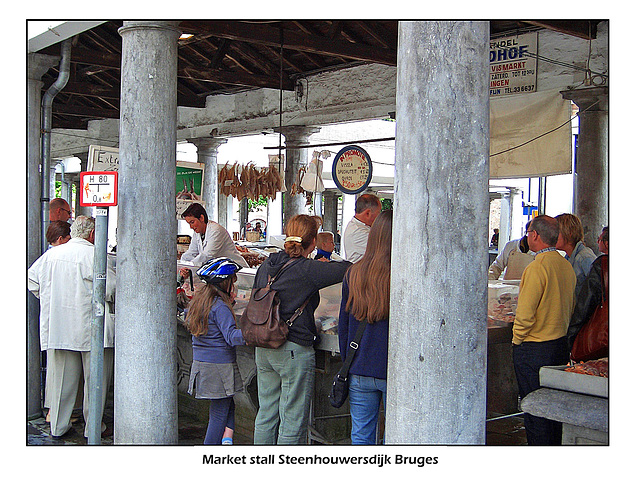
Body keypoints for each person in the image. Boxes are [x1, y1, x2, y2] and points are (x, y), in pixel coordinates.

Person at [252, 214, 351, 444]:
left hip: (264, 346)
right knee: (292, 420)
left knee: (266, 415)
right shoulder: (307, 269)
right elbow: (348, 268)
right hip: (292, 350)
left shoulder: (268, 263)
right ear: (313, 242)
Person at [28, 216, 115, 438]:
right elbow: (111, 289)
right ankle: (92, 429)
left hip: (58, 326)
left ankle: (58, 426)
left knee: (60, 384)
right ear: (93, 234)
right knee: (95, 384)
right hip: (90, 329)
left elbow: (31, 280)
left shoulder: (51, 255)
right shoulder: (93, 255)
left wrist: (48, 298)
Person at [512, 215, 576, 445]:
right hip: (559, 345)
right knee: (553, 411)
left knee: (535, 411)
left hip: (534, 349)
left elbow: (526, 314)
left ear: (535, 235)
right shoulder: (565, 266)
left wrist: (517, 340)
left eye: (529, 232)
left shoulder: (537, 268)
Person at [338, 209, 392, 445]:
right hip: (395, 370)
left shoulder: (354, 273)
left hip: (360, 367)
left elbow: (344, 325)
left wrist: (348, 362)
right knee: (398, 439)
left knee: (361, 436)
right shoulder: (407, 274)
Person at [185, 257, 246, 445]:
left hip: (202, 365)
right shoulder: (220, 307)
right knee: (219, 415)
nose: (234, 287)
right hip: (219, 367)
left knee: (227, 406)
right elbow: (231, 337)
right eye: (233, 282)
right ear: (225, 283)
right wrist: (253, 333)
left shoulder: (200, 302)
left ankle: (226, 442)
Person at [180, 203, 248, 279]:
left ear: (201, 218)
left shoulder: (216, 230)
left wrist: (189, 268)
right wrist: (182, 265)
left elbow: (207, 256)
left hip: (236, 273)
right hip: (220, 274)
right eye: (189, 223)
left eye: (192, 222)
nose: (191, 227)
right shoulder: (197, 233)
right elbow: (191, 252)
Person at [567, 226, 609, 350]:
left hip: (603, 332)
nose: (597, 242)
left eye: (599, 239)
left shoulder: (600, 264)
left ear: (606, 243)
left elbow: (585, 304)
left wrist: (572, 336)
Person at [555, 213, 597, 295]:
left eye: (557, 232)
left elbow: (599, 289)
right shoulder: (568, 258)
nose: (553, 236)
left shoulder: (584, 257)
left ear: (569, 232)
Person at [343, 193, 382, 263]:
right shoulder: (357, 231)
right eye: (378, 213)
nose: (379, 217)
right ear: (368, 213)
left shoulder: (361, 227)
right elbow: (382, 251)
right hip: (361, 273)